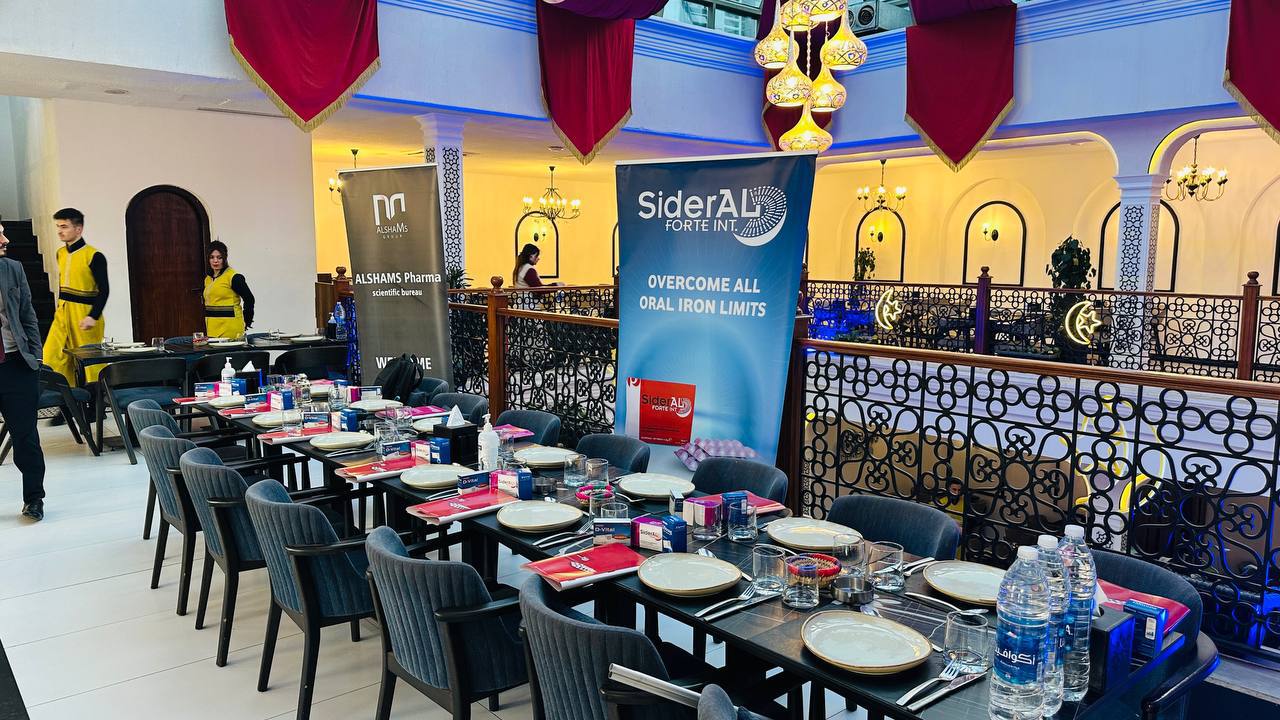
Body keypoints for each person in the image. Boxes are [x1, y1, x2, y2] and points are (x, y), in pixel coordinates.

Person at [0, 219, 48, 521]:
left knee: (26, 438)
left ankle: (34, 499)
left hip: (16, 365)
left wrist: (36, 357)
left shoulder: (13, 268)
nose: (5, 240)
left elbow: (28, 313)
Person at [42, 208, 108, 386]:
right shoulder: (60, 253)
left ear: (78, 229)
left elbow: (104, 289)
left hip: (84, 312)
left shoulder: (94, 256)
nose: (59, 231)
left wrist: (93, 316)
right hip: (63, 312)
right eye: (58, 226)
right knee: (52, 354)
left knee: (90, 361)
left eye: (64, 226)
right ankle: (68, 397)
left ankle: (97, 398)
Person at [203, 240, 255, 339]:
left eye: (219, 257)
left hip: (230, 328)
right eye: (212, 257)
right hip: (212, 328)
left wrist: (247, 321)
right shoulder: (208, 279)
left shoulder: (234, 277)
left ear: (225, 258)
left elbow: (249, 299)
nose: (215, 261)